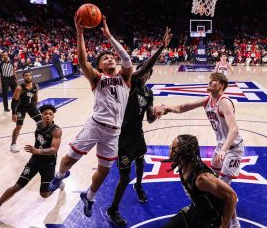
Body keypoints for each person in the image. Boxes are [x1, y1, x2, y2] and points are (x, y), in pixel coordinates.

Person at [48, 15, 133, 217]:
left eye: (111, 57)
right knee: (69, 160)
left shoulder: (124, 77)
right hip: (95, 126)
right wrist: (79, 33)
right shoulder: (96, 78)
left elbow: (127, 60)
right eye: (105, 58)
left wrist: (109, 36)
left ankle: (90, 196)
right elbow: (83, 61)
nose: (110, 58)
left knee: (103, 171)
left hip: (114, 133)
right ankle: (60, 176)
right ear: (100, 66)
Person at [155, 72, 243, 228]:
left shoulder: (224, 102)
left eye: (213, 81)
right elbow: (183, 107)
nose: (209, 83)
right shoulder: (208, 100)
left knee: (223, 190)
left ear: (221, 85)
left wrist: (223, 150)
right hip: (221, 146)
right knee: (215, 185)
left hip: (232, 148)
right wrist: (166, 108)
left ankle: (233, 224)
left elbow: (234, 128)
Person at [106, 27, 173, 227]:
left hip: (138, 134)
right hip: (123, 137)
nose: (144, 74)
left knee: (141, 163)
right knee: (125, 177)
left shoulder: (148, 92)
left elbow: (150, 118)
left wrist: (160, 112)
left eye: (147, 73)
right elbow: (143, 67)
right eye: (143, 70)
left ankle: (140, 187)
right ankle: (113, 209)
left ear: (150, 76)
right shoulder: (131, 83)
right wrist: (162, 47)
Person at [0, 104, 62, 224]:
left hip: (48, 162)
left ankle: (56, 182)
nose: (47, 116)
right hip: (35, 160)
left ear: (53, 116)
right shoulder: (38, 125)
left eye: (50, 114)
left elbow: (54, 149)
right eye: (45, 114)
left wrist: (38, 150)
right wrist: (36, 152)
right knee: (17, 186)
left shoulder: (56, 130)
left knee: (44, 194)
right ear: (41, 115)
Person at [163, 134, 237, 228]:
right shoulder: (181, 165)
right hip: (197, 211)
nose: (170, 148)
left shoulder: (202, 179)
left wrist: (224, 225)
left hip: (212, 220)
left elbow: (232, 196)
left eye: (173, 147)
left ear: (183, 152)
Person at [10, 71, 42, 152]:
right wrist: (14, 114)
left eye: (29, 75)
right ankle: (13, 144)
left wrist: (37, 105)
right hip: (21, 108)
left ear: (31, 76)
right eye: (26, 75)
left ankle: (40, 141)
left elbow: (35, 95)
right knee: (18, 126)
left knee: (41, 123)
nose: (28, 77)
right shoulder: (19, 88)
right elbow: (14, 101)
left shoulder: (36, 86)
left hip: (31, 107)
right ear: (23, 77)